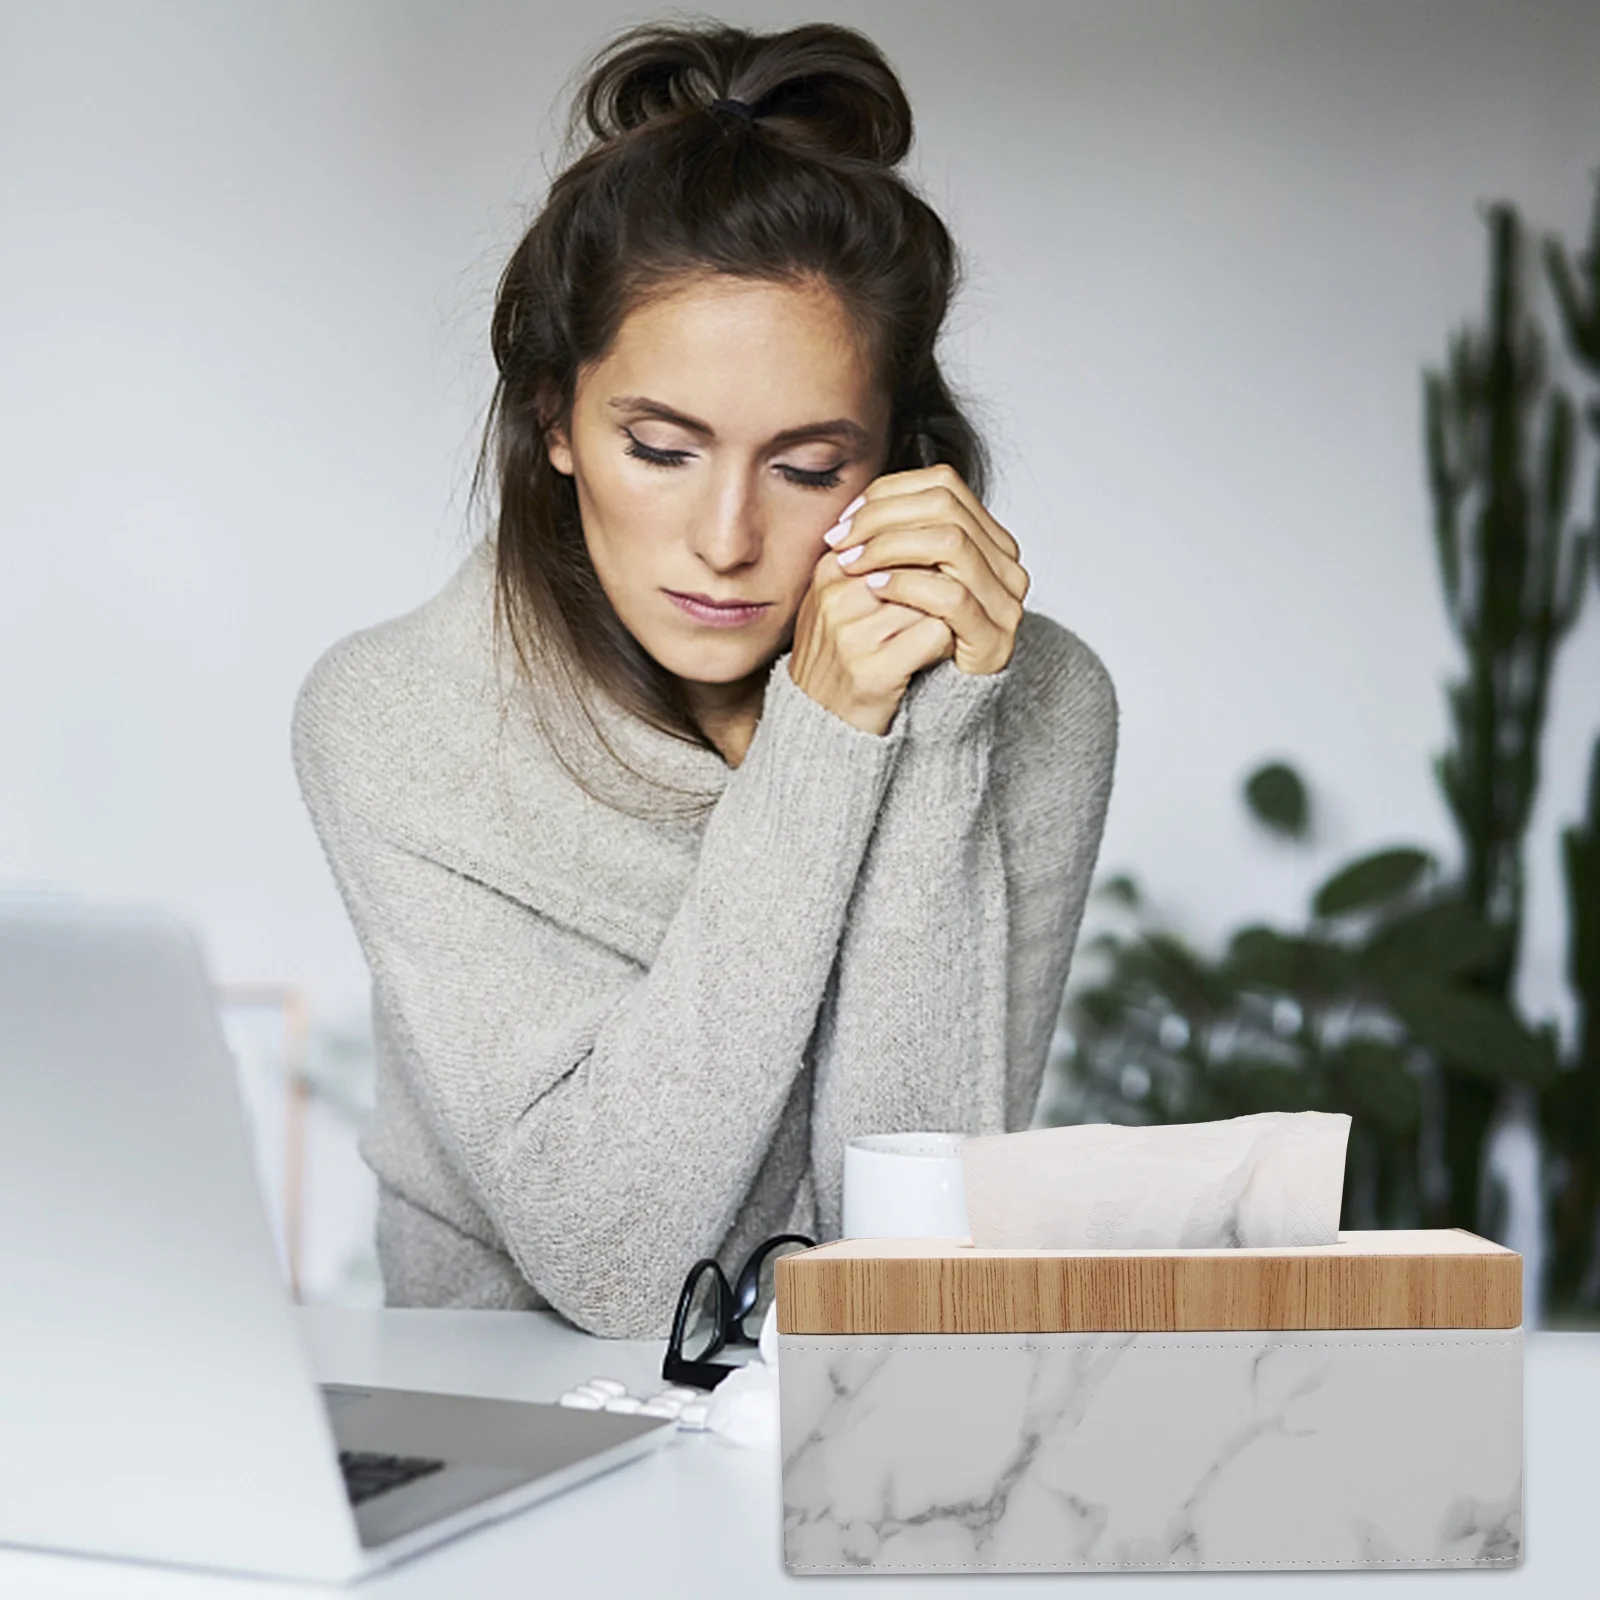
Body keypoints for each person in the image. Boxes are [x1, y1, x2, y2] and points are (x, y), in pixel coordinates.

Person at [290, 19, 1118, 1339]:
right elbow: (618, 1266)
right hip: (497, 1419)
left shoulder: (1035, 706)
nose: (727, 539)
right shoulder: (399, 719)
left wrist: (936, 728)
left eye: (806, 466)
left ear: (896, 460)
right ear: (556, 419)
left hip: (865, 1430)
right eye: (663, 450)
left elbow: (906, 1267)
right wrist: (824, 735)